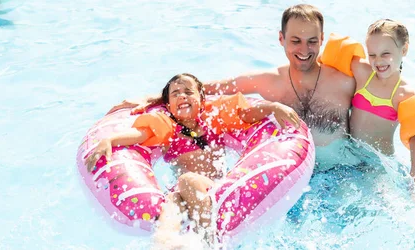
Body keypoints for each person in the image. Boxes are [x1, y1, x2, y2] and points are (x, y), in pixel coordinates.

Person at [107, 4, 364, 171]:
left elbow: (388, 92)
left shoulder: (344, 81)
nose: (304, 50)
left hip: (342, 172)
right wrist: (156, 98)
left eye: (312, 41)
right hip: (293, 174)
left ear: (321, 40)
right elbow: (209, 88)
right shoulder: (269, 81)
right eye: (295, 40)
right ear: (281, 39)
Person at [85, 73, 300, 248]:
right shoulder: (168, 129)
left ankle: (210, 242)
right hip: (185, 193)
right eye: (176, 94)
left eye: (189, 92)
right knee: (172, 201)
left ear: (201, 100)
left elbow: (246, 114)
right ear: (168, 106)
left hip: (214, 187)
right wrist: (111, 140)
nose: (182, 96)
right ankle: (165, 244)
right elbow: (140, 136)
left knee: (186, 181)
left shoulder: (214, 120)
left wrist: (274, 107)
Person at [348, 19, 415, 191]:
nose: (378, 61)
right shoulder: (362, 74)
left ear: (404, 50)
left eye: (385, 53)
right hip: (350, 154)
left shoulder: (404, 94)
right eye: (372, 55)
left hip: (379, 164)